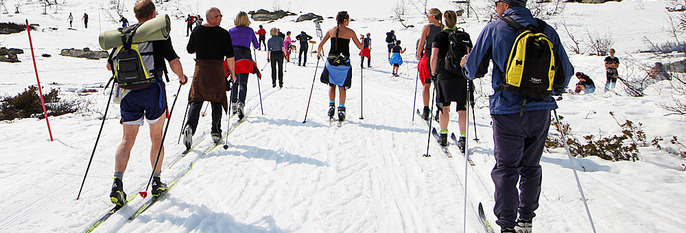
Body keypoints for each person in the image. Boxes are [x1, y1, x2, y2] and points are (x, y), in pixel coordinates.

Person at [462, 0, 574, 232]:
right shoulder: (546, 30)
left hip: (508, 110)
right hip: (541, 110)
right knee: (531, 166)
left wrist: (465, 64)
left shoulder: (495, 28)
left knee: (506, 169)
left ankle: (506, 225)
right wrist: (550, 91)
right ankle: (526, 220)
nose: (495, 7)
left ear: (504, 4)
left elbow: (474, 70)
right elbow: (566, 72)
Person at [106, 0, 188, 206]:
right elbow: (174, 61)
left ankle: (117, 183)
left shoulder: (123, 34)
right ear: (153, 15)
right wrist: (182, 77)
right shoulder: (158, 33)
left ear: (136, 16)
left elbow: (110, 65)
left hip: (127, 93)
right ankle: (157, 182)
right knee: (156, 137)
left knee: (127, 139)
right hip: (152, 90)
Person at [184, 7, 236, 147]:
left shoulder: (197, 30)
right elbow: (230, 56)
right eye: (220, 15)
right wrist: (233, 73)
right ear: (216, 17)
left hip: (201, 69)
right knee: (217, 99)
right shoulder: (224, 34)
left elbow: (190, 50)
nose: (221, 18)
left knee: (197, 99)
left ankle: (190, 127)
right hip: (217, 69)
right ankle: (215, 131)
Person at [429, 10, 472, 149]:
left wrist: (433, 73)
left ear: (444, 21)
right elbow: (470, 55)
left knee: (444, 106)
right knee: (462, 108)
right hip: (461, 75)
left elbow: (434, 56)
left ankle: (443, 135)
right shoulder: (464, 36)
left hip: (444, 74)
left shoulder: (440, 36)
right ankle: (463, 137)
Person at [318, 11, 364, 122]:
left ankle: (331, 106)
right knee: (342, 87)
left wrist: (319, 55)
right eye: (348, 20)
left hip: (331, 63)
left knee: (332, 85)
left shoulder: (330, 30)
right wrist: (363, 39)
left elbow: (320, 45)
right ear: (345, 20)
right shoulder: (350, 32)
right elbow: (360, 47)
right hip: (343, 63)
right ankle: (341, 109)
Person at [229, 11, 261, 120]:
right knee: (243, 83)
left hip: (234, 58)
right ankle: (241, 104)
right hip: (245, 57)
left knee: (234, 81)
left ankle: (233, 103)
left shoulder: (231, 31)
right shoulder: (250, 31)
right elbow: (256, 46)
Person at [416, 8, 443, 121]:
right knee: (438, 86)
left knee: (426, 84)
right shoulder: (443, 27)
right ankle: (439, 111)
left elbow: (422, 43)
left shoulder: (427, 27)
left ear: (432, 16)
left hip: (428, 56)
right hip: (440, 57)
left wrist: (418, 54)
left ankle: (426, 110)